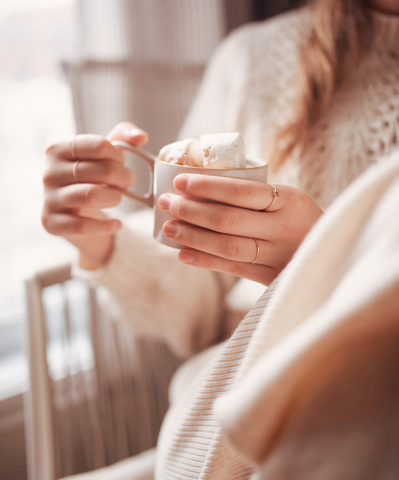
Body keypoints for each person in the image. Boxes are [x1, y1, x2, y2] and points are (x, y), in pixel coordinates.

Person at [43, 0, 399, 478]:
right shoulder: (251, 59)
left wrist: (326, 266)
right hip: (223, 424)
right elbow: (205, 304)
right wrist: (100, 241)